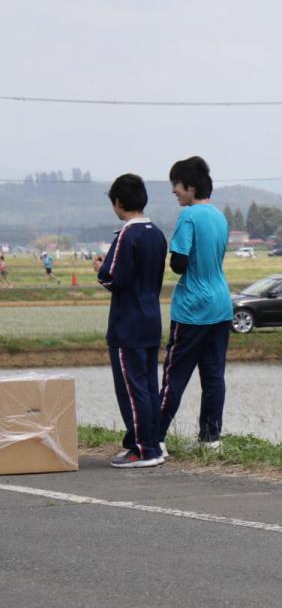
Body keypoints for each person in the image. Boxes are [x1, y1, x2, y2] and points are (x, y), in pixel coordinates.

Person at [158, 156, 233, 451]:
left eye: (176, 185)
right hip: (221, 304)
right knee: (213, 376)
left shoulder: (188, 217)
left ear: (189, 186)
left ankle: (155, 437)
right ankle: (210, 438)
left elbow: (179, 263)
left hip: (192, 308)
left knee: (174, 375)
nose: (174, 191)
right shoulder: (219, 216)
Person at [96, 174, 168, 468]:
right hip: (151, 318)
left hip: (128, 324)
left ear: (118, 203)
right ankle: (152, 443)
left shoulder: (128, 234)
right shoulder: (156, 233)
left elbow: (113, 278)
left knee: (131, 388)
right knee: (149, 386)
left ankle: (142, 449)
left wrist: (99, 268)